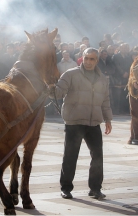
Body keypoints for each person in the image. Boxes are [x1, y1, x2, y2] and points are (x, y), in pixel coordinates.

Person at [50, 47, 112, 200]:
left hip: (94, 123)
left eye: (92, 59)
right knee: (70, 156)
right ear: (82, 58)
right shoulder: (71, 74)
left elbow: (105, 101)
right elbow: (58, 92)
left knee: (97, 156)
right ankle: (66, 188)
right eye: (86, 58)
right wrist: (50, 86)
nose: (89, 62)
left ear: (96, 61)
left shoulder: (102, 79)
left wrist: (108, 119)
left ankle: (95, 188)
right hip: (74, 122)